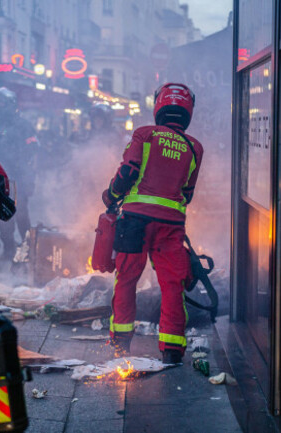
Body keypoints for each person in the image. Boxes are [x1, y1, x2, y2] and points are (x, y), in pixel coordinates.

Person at [102, 83, 204, 363]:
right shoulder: (195, 148)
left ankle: (121, 344)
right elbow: (188, 193)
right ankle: (171, 350)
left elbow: (128, 171)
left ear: (159, 106)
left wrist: (110, 195)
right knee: (173, 284)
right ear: (188, 111)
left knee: (126, 279)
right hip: (171, 227)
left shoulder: (144, 134)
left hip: (135, 221)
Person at [0, 87, 38, 258]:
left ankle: (28, 251)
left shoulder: (24, 125)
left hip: (20, 178)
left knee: (22, 216)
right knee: (3, 217)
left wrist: (30, 179)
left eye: (2, 103)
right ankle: (8, 250)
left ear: (10, 104)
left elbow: (33, 153)